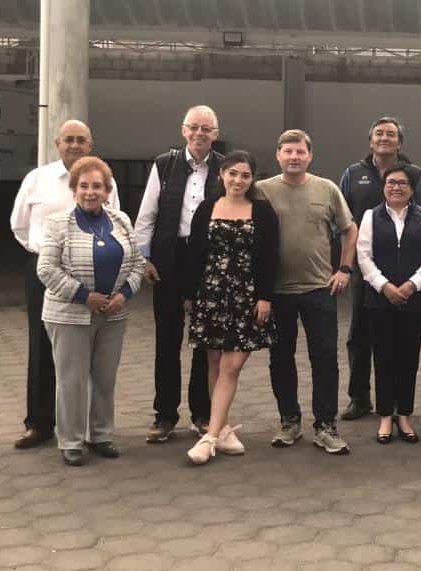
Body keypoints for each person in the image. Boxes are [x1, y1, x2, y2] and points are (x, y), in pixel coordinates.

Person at [10, 120, 119, 450]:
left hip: (94, 276)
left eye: (81, 140)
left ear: (90, 144)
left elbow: (115, 224)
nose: (74, 145)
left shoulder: (104, 180)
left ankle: (89, 429)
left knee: (92, 352)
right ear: (57, 143)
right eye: (68, 139)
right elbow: (19, 225)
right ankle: (40, 424)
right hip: (46, 272)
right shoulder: (37, 179)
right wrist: (44, 253)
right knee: (42, 346)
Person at [36, 157, 143, 466]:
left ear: (108, 191)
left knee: (105, 379)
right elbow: (46, 269)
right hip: (69, 315)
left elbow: (137, 263)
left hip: (113, 315)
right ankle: (70, 441)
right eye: (83, 186)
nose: (90, 192)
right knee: (72, 381)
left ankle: (100, 435)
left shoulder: (121, 220)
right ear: (74, 190)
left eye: (97, 186)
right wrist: (85, 296)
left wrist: (124, 295)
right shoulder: (58, 224)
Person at [257, 130, 356, 455]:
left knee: (324, 358)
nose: (294, 157)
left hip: (319, 289)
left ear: (310, 156)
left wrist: (344, 268)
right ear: (278, 155)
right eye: (288, 151)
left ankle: (325, 425)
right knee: (280, 358)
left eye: (300, 151)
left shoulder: (326, 189)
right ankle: (289, 421)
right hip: (277, 291)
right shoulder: (261, 191)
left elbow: (349, 229)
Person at [134, 105, 224, 443]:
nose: (200, 133)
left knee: (205, 342)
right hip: (169, 259)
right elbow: (147, 214)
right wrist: (144, 258)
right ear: (183, 130)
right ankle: (165, 415)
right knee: (167, 340)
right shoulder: (164, 164)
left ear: (215, 134)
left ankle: (202, 414)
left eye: (206, 128)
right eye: (194, 127)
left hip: (208, 262)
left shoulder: (225, 167)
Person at [184, 151, 279, 465]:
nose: (238, 180)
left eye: (245, 175)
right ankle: (222, 429)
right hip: (211, 294)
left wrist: (265, 297)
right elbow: (195, 253)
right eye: (233, 173)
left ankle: (209, 438)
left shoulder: (262, 211)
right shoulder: (206, 208)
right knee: (214, 361)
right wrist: (190, 294)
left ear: (252, 179)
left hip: (247, 296)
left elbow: (270, 256)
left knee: (232, 365)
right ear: (221, 175)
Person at [339, 117, 421, 421]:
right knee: (359, 336)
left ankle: (396, 403)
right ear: (370, 140)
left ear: (399, 142)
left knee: (400, 340)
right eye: (378, 133)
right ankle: (359, 397)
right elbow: (342, 219)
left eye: (391, 134)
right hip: (365, 269)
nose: (384, 138)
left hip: (406, 273)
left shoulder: (416, 175)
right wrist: (346, 262)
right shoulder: (352, 174)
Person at [357, 165, 421, 444]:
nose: (396, 187)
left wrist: (411, 285)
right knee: (383, 358)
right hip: (380, 300)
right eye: (391, 182)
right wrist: (385, 286)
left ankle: (404, 414)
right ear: (383, 187)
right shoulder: (371, 217)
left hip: (413, 300)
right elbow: (364, 256)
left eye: (402, 183)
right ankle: (384, 415)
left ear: (412, 189)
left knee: (408, 359)